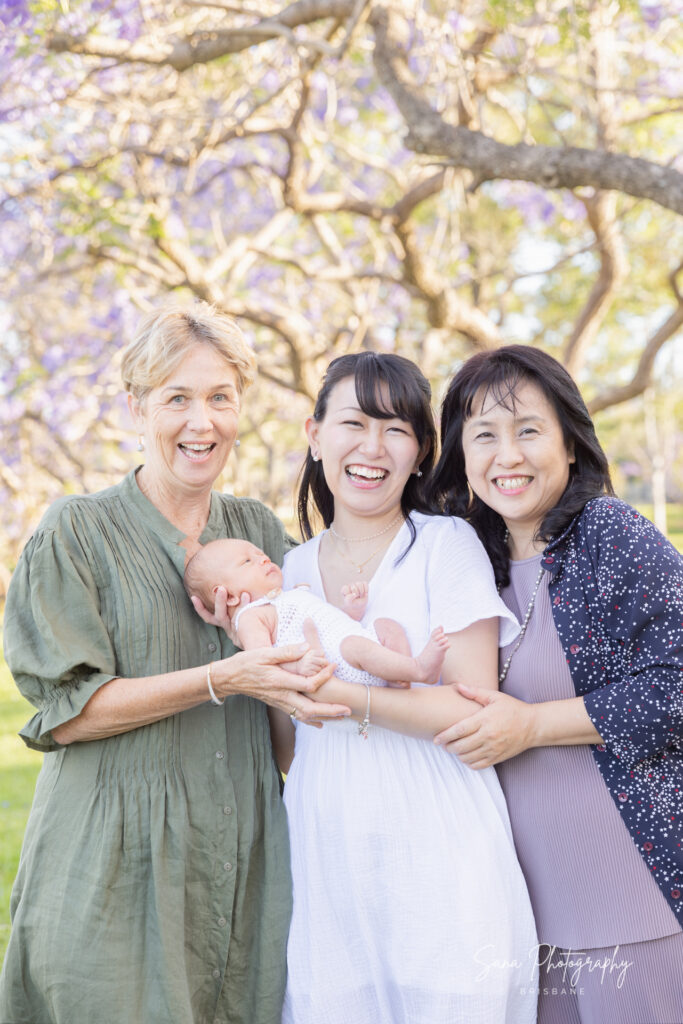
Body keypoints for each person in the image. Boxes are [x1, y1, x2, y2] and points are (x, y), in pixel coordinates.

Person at [0, 302, 347, 1024]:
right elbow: (69, 713)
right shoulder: (78, 531)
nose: (202, 422)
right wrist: (223, 677)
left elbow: (298, 694)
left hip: (241, 859)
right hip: (112, 862)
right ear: (136, 407)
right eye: (176, 398)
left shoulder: (258, 532)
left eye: (220, 397)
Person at [267, 351, 538, 1024]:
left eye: (395, 429)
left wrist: (343, 694)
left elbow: (467, 705)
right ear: (314, 434)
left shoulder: (444, 545)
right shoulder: (290, 569)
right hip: (327, 841)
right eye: (352, 423)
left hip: (436, 832)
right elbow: (289, 738)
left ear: (421, 452)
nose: (371, 447)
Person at [429, 344, 683, 1024]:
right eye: (483, 434)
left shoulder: (608, 535)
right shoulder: (457, 561)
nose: (505, 455)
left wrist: (532, 725)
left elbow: (676, 682)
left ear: (569, 444)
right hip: (518, 920)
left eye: (528, 430)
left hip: (632, 895)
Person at [184, 537, 450, 701]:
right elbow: (263, 662)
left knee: (385, 625)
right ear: (227, 597)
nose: (262, 558)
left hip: (348, 642)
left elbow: (328, 623)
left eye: (259, 553)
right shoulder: (251, 617)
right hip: (335, 663)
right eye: (246, 562)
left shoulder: (287, 596)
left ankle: (397, 676)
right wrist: (300, 666)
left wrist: (352, 611)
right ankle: (419, 669)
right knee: (357, 646)